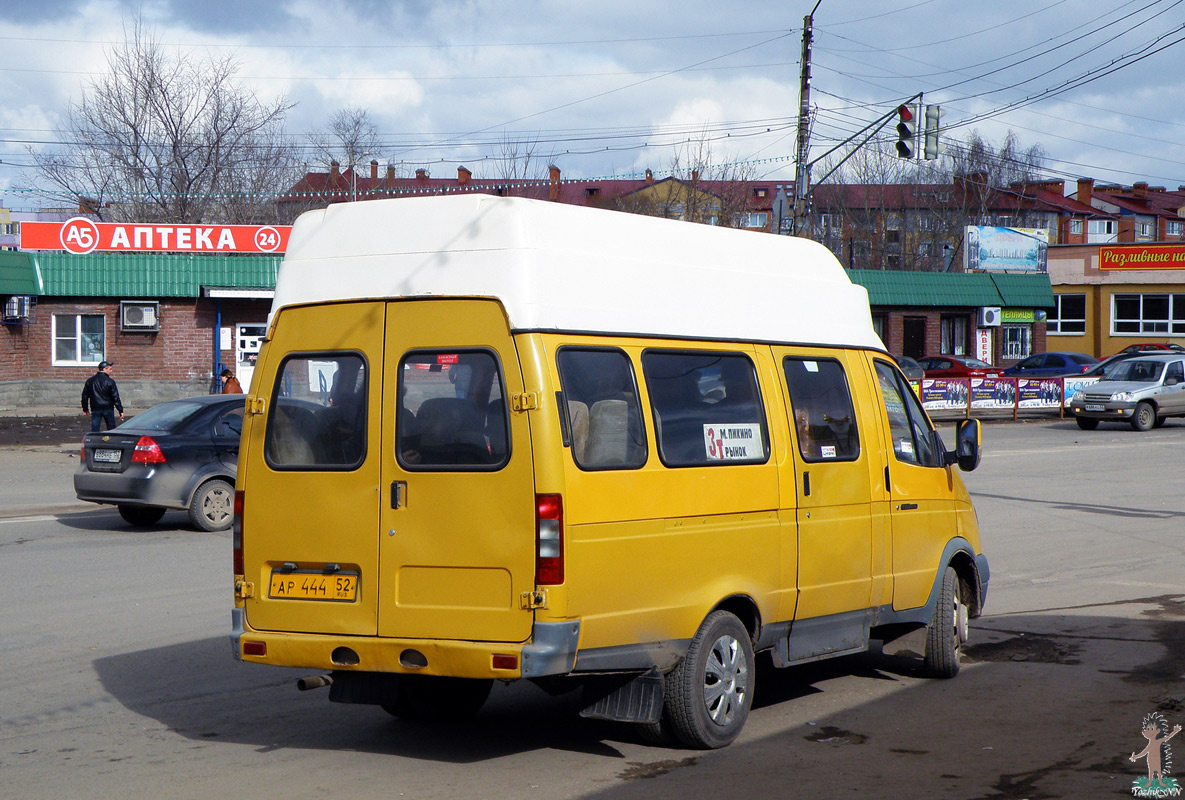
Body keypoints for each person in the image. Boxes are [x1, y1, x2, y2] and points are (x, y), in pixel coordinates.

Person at [81, 360, 124, 432]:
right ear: (104, 369)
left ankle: (94, 441)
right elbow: (115, 397)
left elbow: (85, 396)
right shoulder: (110, 381)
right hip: (108, 408)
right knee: (111, 428)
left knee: (95, 428)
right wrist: (120, 410)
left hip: (95, 407)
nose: (111, 371)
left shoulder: (90, 381)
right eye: (110, 369)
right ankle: (111, 441)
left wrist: (85, 408)